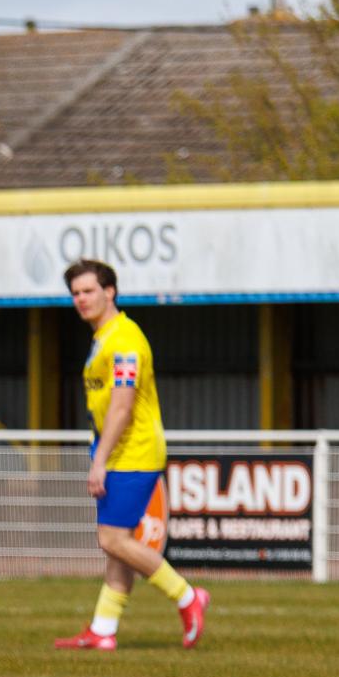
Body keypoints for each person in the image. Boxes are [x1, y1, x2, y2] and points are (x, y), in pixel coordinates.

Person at [54, 260, 209, 651]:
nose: (81, 299)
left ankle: (188, 597)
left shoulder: (124, 339)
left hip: (133, 451)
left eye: (89, 291)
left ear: (110, 291)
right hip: (122, 450)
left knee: (111, 538)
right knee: (117, 543)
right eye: (75, 293)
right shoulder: (106, 337)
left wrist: (100, 459)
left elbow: (122, 407)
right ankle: (103, 629)